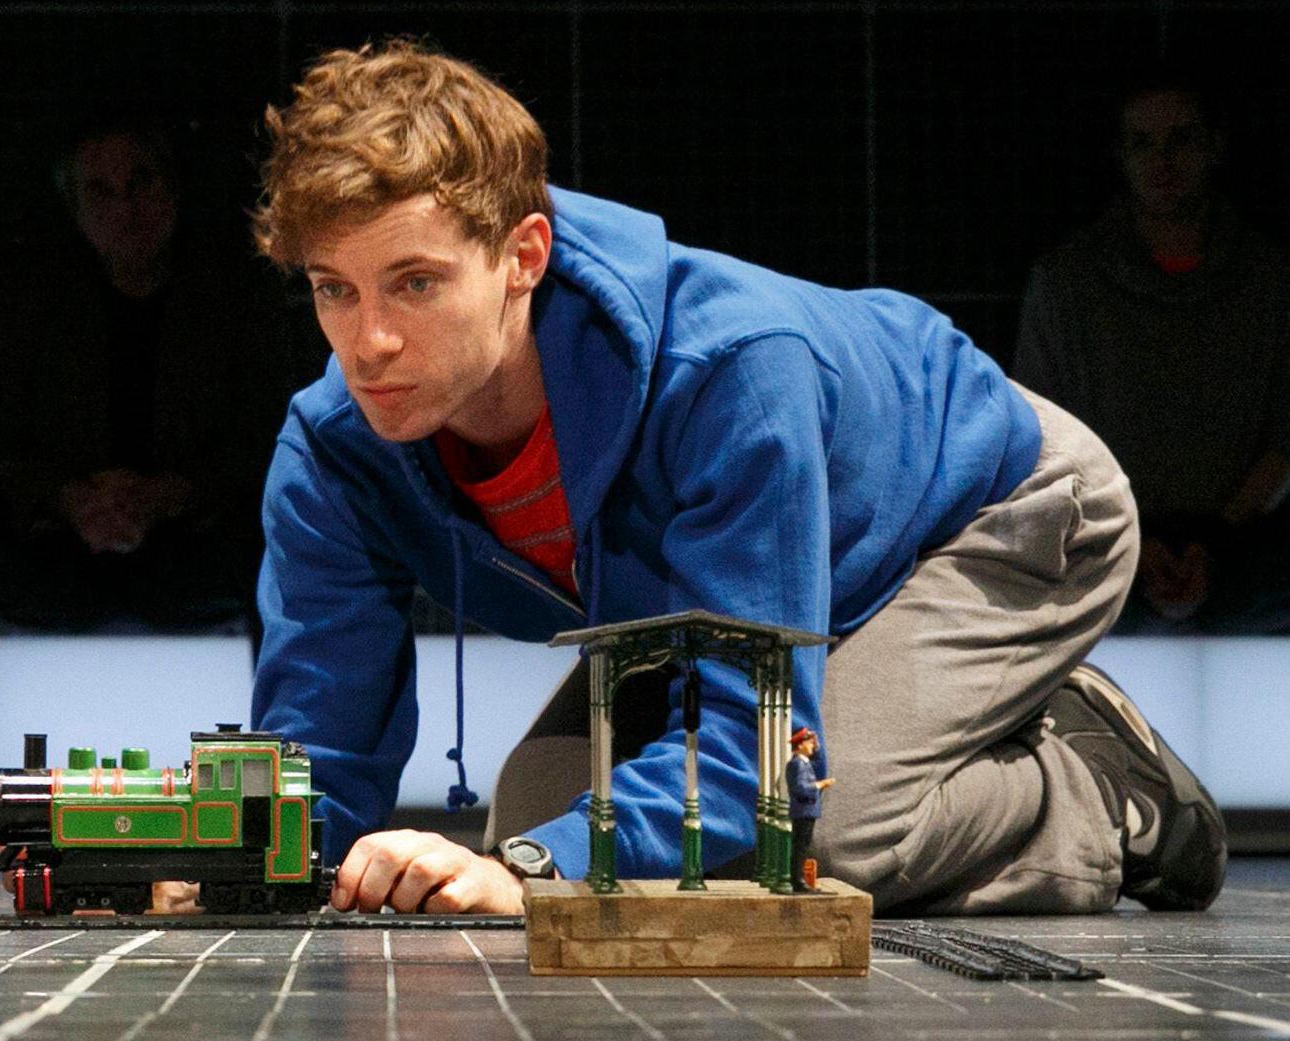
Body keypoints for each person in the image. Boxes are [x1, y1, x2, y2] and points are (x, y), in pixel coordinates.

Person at [248, 40, 1226, 918]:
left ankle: (1105, 787)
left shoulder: (726, 371)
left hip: (991, 510)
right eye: (334, 289)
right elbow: (317, 758)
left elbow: (744, 769)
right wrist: (222, 864)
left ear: (521, 257)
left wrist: (536, 870)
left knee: (811, 836)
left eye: (414, 283)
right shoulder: (336, 444)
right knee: (537, 817)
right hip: (761, 588)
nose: (367, 343)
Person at [0, 116, 295, 860]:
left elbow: (273, 436)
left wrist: (168, 492)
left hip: (189, 544)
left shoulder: (229, 293)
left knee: (291, 522)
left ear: (172, 191)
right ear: (77, 210)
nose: (126, 205)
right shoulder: (32, 298)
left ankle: (289, 782)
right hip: (63, 547)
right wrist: (70, 499)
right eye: (101, 190)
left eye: (141, 181)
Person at [1015, 69, 1290, 633]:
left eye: (1181, 140)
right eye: (1143, 144)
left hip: (1252, 566)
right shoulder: (1068, 283)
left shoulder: (1270, 282)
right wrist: (1134, 543)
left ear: (1216, 147)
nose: (1163, 161)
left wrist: (1216, 542)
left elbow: (1286, 439)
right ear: (1120, 155)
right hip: (1101, 559)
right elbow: (1039, 433)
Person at [786, 727, 835, 893]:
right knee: (800, 846)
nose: (812, 746)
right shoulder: (797, 764)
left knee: (803, 845)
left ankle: (799, 880)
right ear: (800, 745)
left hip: (807, 810)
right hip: (802, 810)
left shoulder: (804, 763)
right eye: (809, 743)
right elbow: (800, 788)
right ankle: (797, 880)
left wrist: (816, 742)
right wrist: (820, 784)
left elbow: (818, 755)